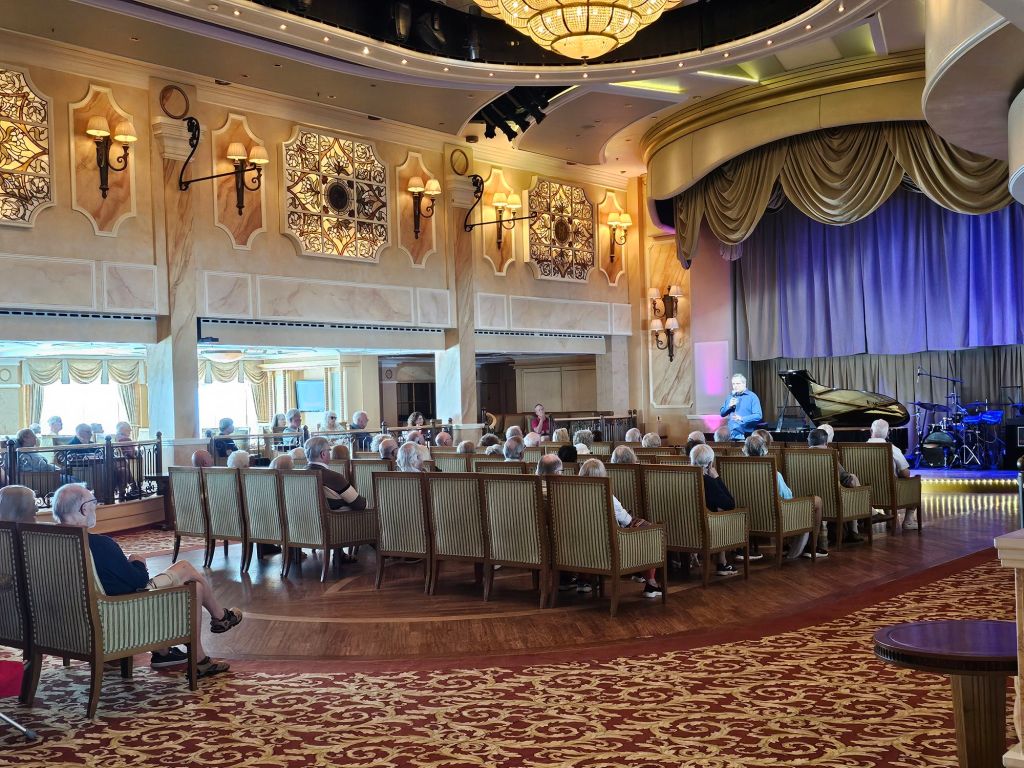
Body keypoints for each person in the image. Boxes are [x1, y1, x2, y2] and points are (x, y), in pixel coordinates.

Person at [51, 482, 240, 675]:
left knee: (194, 586)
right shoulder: (99, 545)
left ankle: (168, 653)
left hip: (67, 622)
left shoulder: (47, 542)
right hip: (115, 617)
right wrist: (138, 562)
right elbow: (138, 581)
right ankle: (219, 620)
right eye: (94, 503)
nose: (96, 507)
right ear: (84, 509)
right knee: (186, 572)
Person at [577, 458, 662, 598]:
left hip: (579, 546)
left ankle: (583, 580)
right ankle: (651, 584)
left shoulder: (570, 495)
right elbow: (626, 521)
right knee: (650, 532)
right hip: (609, 547)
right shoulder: (607, 497)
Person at [743, 434, 825, 559]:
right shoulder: (773, 473)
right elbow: (787, 498)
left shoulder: (736, 472)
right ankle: (811, 547)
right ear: (764, 450)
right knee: (817, 501)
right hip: (776, 518)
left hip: (749, 518)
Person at [689, 444, 739, 576]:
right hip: (705, 528)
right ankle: (722, 563)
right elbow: (730, 504)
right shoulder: (708, 481)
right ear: (710, 463)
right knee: (723, 515)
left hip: (684, 526)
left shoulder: (683, 477)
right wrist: (717, 478)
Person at [808, 428, 863, 544]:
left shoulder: (794, 456)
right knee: (852, 479)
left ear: (809, 442)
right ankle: (854, 530)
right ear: (826, 443)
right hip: (831, 504)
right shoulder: (829, 456)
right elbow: (848, 481)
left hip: (807, 502)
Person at [867, 418, 915, 529]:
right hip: (889, 493)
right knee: (913, 484)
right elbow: (906, 474)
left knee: (880, 481)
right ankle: (908, 521)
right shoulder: (893, 449)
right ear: (888, 433)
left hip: (866, 493)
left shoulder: (857, 448)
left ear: (871, 431)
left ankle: (890, 518)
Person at [302, 436, 366, 511]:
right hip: (340, 517)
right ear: (323, 454)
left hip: (306, 515)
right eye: (329, 450)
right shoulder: (334, 478)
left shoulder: (299, 474)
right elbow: (360, 505)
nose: (330, 453)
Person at [720, 373, 763, 440]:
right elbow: (722, 414)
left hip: (745, 435)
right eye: (733, 384)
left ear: (744, 384)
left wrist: (742, 418)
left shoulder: (752, 397)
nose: (735, 386)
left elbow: (758, 416)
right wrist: (729, 406)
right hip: (730, 435)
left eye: (738, 384)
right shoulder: (730, 396)